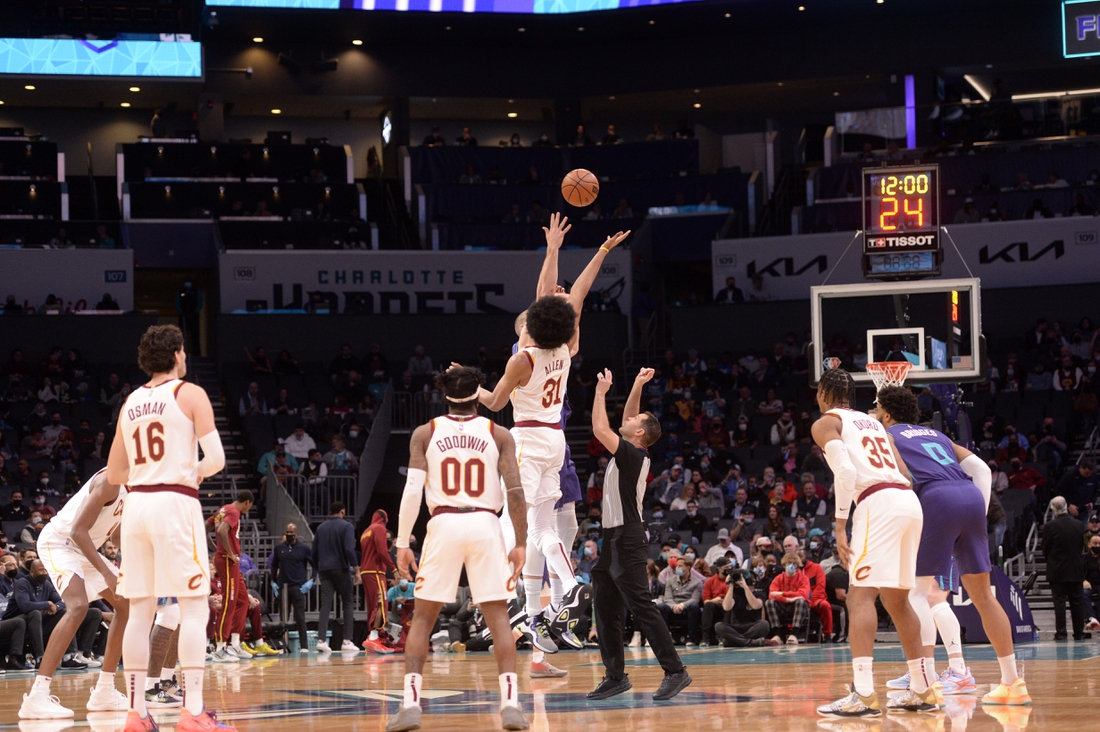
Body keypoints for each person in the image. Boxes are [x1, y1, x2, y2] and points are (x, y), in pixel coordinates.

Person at [385, 366, 529, 732]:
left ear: (443, 394)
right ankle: (511, 705)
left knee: (422, 618)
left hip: (443, 523)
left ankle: (411, 706)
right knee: (499, 618)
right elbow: (514, 491)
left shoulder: (425, 432)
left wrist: (402, 543)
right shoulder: (499, 434)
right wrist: (522, 541)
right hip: (485, 523)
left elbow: (412, 492)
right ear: (478, 391)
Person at [475, 221, 596, 654]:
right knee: (544, 527)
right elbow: (571, 300)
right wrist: (580, 252)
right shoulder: (566, 349)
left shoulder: (522, 358)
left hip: (526, 440)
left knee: (515, 523)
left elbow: (492, 404)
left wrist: (464, 385)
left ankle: (505, 597)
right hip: (556, 442)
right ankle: (561, 592)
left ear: (532, 327)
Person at [106, 324, 230, 732]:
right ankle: (192, 711)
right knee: (193, 607)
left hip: (137, 504)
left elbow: (116, 472)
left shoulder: (130, 402)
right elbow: (215, 459)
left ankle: (137, 714)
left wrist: (148, 475)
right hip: (174, 500)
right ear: (178, 353)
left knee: (140, 611)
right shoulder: (188, 392)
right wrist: (188, 473)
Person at [876, 386, 1028, 704]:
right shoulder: (938, 436)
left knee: (917, 593)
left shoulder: (887, 435)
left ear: (886, 414)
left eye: (877, 409)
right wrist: (980, 510)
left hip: (936, 498)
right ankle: (1013, 684)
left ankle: (925, 684)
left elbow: (898, 478)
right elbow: (982, 469)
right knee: (984, 596)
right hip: (969, 496)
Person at [811, 369, 940, 718]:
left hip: (877, 502)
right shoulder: (875, 424)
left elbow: (847, 473)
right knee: (897, 601)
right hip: (907, 502)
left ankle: (864, 693)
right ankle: (922, 689)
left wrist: (839, 528)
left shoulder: (826, 423)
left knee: (860, 595)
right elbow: (908, 475)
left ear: (824, 393)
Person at [587, 367, 691, 701]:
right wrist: (636, 384)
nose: (629, 418)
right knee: (605, 607)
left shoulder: (631, 454)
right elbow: (631, 414)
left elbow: (599, 427)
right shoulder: (633, 448)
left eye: (636, 420)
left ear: (640, 433)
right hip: (611, 540)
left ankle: (676, 671)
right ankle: (615, 676)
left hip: (626, 537)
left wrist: (601, 391)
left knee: (641, 606)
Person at [208, 490, 265, 661]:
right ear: (247, 502)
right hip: (227, 560)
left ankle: (234, 644)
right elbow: (222, 531)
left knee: (242, 600)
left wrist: (215, 549)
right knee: (229, 603)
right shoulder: (233, 511)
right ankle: (220, 648)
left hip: (229, 561)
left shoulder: (222, 509)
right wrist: (229, 552)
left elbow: (205, 527)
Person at [312, 501, 360, 654]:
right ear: (343, 511)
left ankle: (322, 641)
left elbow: (314, 552)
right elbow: (349, 549)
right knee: (347, 601)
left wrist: (318, 568)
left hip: (324, 569)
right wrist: (357, 570)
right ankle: (347, 641)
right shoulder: (347, 526)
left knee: (325, 604)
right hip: (340, 568)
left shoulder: (320, 527)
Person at [1043, 496, 1087, 641]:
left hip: (1057, 570)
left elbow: (1045, 549)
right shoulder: (1079, 525)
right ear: (1066, 506)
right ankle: (1079, 632)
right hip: (1075, 569)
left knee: (1059, 602)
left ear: (1053, 510)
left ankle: (1061, 633)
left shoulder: (1050, 526)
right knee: (1077, 601)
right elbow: (1082, 546)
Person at [270, 523, 314, 654]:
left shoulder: (304, 549)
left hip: (298, 587)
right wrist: (273, 581)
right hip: (283, 587)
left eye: (291, 532)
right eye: (287, 532)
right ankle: (282, 645)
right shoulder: (279, 548)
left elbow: (315, 565)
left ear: (296, 533)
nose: (289, 535)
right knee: (283, 618)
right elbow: (274, 565)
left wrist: (311, 580)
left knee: (300, 617)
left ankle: (304, 646)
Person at [360, 508, 398, 654]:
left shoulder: (366, 531)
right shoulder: (380, 528)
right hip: (375, 570)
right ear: (385, 519)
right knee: (381, 602)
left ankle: (373, 636)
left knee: (372, 604)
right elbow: (382, 552)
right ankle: (374, 637)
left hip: (366, 571)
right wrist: (394, 570)